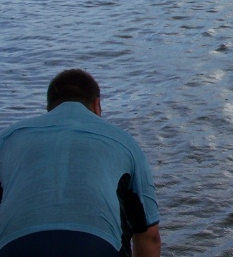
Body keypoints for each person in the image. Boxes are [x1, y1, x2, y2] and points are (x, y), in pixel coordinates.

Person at [0, 69, 161, 257]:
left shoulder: (7, 138)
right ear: (97, 105)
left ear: (49, 108)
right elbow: (150, 237)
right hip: (95, 247)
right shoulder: (125, 142)